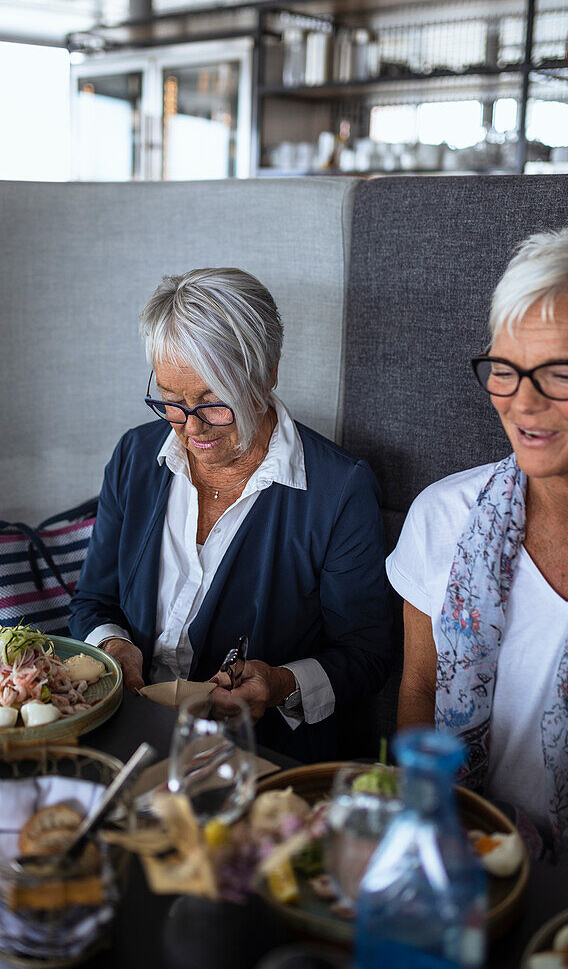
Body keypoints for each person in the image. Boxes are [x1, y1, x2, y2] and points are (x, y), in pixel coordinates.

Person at [69, 267, 392, 761]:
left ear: (268, 372)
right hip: (126, 732)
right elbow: (93, 600)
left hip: (256, 755)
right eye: (172, 401)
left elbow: (368, 654)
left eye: (213, 402)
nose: (190, 427)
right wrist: (113, 649)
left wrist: (283, 682)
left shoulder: (338, 489)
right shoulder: (135, 457)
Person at [388, 224, 568, 861]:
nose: (523, 404)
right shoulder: (441, 518)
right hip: (464, 858)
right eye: (506, 370)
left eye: (560, 373)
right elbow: (419, 690)